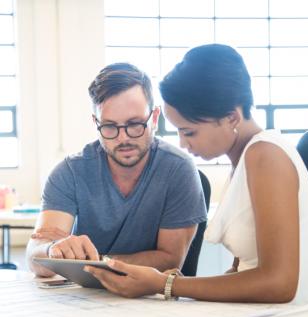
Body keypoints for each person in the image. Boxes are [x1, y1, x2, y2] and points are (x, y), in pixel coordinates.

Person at [84, 44, 308, 306]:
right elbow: (243, 275)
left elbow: (279, 284)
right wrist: (177, 286)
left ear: (231, 118)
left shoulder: (266, 156)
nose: (182, 143)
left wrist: (165, 283)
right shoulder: (245, 160)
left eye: (189, 132)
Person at [26, 62, 207, 277]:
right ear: (96, 123)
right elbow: (36, 257)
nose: (124, 138)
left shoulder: (178, 169)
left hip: (151, 298)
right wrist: (51, 250)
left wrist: (91, 262)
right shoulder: (69, 173)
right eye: (110, 126)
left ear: (155, 118)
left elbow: (169, 259)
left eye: (135, 124)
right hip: (86, 299)